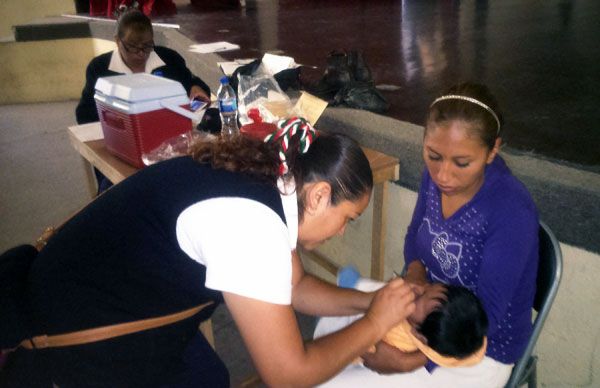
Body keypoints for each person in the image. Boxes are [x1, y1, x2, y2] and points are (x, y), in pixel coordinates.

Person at [2, 118, 417, 387]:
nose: (344, 229)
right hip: (75, 329)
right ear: (320, 195)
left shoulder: (275, 179)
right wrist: (373, 325)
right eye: (349, 217)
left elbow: (297, 286)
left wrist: (369, 303)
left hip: (99, 291)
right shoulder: (253, 227)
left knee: (209, 376)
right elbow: (288, 374)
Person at [317, 83, 540, 388]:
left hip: (476, 348)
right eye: (433, 155)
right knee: (331, 333)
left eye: (462, 163)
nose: (443, 175)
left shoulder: (510, 211)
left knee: (333, 381)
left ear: (493, 151)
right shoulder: (434, 178)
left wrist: (410, 361)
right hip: (426, 312)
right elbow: (415, 240)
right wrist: (415, 277)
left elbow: (487, 321)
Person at [75, 9, 211, 192]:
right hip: (121, 144)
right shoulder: (100, 68)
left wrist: (196, 87)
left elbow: (192, 82)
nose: (141, 53)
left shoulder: (168, 58)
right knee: (123, 188)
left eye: (147, 46)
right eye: (132, 47)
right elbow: (84, 114)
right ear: (117, 41)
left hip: (168, 140)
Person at [316, 279, 489, 369]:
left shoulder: (395, 336)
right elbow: (477, 351)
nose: (420, 289)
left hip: (345, 351)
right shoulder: (459, 343)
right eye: (429, 286)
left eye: (420, 297)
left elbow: (355, 346)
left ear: (418, 336)